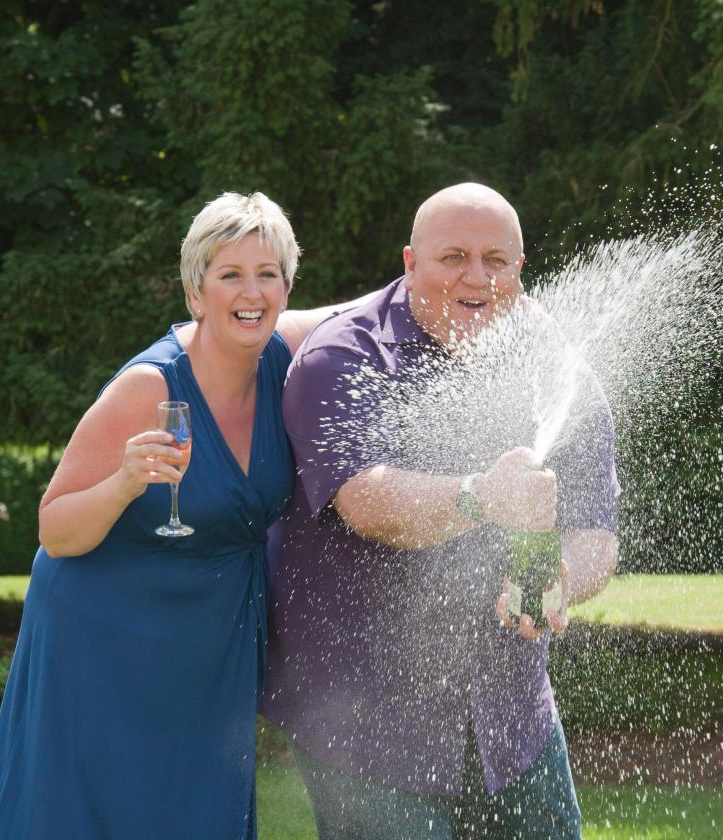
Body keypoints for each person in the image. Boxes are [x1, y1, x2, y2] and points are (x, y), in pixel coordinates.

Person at [0, 192, 359, 840]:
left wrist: (437, 285)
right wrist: (125, 482)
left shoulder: (284, 355)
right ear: (195, 291)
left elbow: (364, 314)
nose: (252, 291)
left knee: (191, 810)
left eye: (268, 274)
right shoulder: (149, 387)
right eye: (230, 274)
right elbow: (55, 529)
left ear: (288, 286)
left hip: (207, 648)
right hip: (100, 643)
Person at [262, 183, 621, 839]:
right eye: (454, 256)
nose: (476, 276)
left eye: (497, 259)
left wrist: (562, 578)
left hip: (512, 721)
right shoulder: (344, 358)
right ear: (410, 263)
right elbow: (366, 501)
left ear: (519, 269)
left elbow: (597, 530)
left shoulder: (554, 371)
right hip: (368, 724)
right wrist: (480, 495)